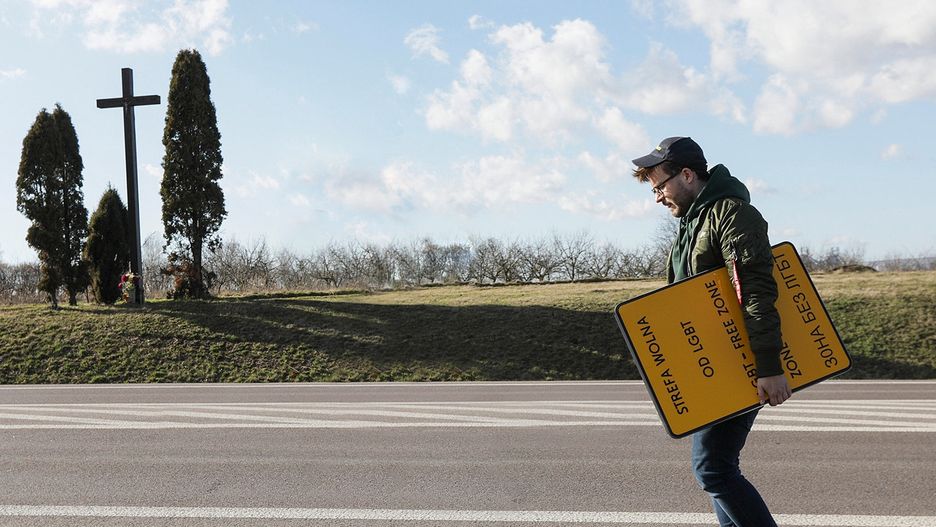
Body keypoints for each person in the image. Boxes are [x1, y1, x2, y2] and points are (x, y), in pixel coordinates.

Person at [631, 137, 792, 527]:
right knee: (718, 470)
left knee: (713, 469)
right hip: (713, 365)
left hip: (739, 362)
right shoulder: (692, 223)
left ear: (687, 174)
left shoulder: (732, 215)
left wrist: (768, 366)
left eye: (660, 186)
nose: (657, 197)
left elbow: (755, 293)